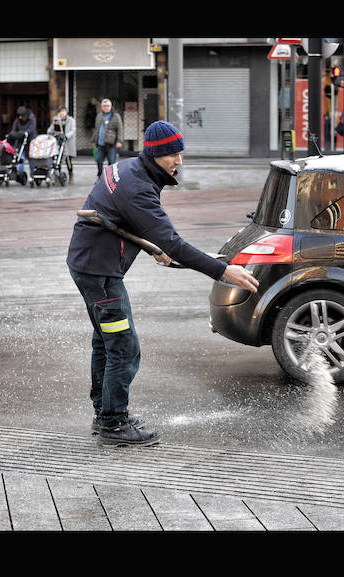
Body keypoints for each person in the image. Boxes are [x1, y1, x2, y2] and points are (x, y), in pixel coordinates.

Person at [67, 120, 259, 447]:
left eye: (180, 153)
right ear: (156, 154)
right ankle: (113, 424)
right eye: (173, 155)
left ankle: (106, 413)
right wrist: (222, 271)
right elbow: (174, 242)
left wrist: (150, 245)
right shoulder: (137, 187)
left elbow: (117, 217)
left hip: (88, 265)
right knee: (124, 347)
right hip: (99, 274)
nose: (179, 161)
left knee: (105, 342)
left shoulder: (128, 169)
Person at [91, 98, 123, 177]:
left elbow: (120, 129)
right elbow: (96, 129)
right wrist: (93, 140)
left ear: (111, 106)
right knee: (99, 161)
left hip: (111, 143)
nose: (106, 107)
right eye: (104, 106)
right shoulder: (99, 115)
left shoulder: (116, 116)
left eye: (107, 106)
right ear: (102, 107)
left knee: (111, 163)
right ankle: (100, 177)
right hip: (100, 143)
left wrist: (119, 141)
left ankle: (110, 178)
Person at [47, 106, 76, 175]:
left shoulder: (71, 120)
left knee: (68, 160)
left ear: (66, 112)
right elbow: (51, 129)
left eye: (63, 111)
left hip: (67, 142)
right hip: (58, 141)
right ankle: (58, 175)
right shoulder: (56, 120)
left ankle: (71, 173)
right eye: (60, 112)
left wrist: (66, 136)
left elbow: (73, 130)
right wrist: (49, 133)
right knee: (58, 160)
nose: (62, 113)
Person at [11, 106, 37, 179]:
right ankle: (21, 175)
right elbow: (13, 130)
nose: (20, 118)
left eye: (21, 116)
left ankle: (33, 174)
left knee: (31, 160)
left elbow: (31, 129)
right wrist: (16, 134)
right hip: (20, 143)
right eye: (19, 116)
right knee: (20, 159)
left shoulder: (31, 118)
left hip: (30, 142)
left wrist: (24, 133)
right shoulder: (17, 120)